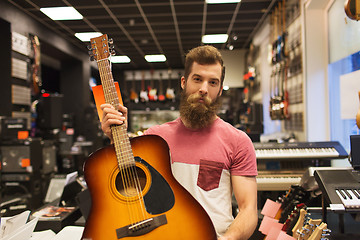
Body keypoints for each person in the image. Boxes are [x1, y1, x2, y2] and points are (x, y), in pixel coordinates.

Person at [100, 45, 258, 240]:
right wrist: (114, 135)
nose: (203, 89)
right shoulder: (154, 139)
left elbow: (248, 209)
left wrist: (228, 239)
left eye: (213, 82)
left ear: (219, 89)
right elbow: (129, 187)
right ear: (184, 82)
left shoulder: (238, 141)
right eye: (197, 79)